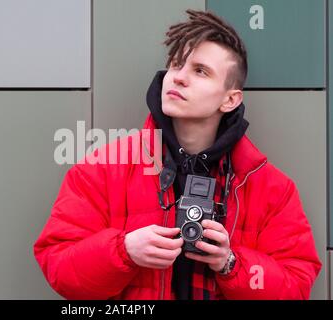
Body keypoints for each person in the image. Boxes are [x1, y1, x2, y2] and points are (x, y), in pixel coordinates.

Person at [34, 9, 321, 300]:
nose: (179, 78)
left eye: (200, 71)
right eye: (175, 65)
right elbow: (60, 269)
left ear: (230, 99)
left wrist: (231, 264)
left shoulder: (271, 188)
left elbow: (295, 288)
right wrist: (124, 250)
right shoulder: (103, 169)